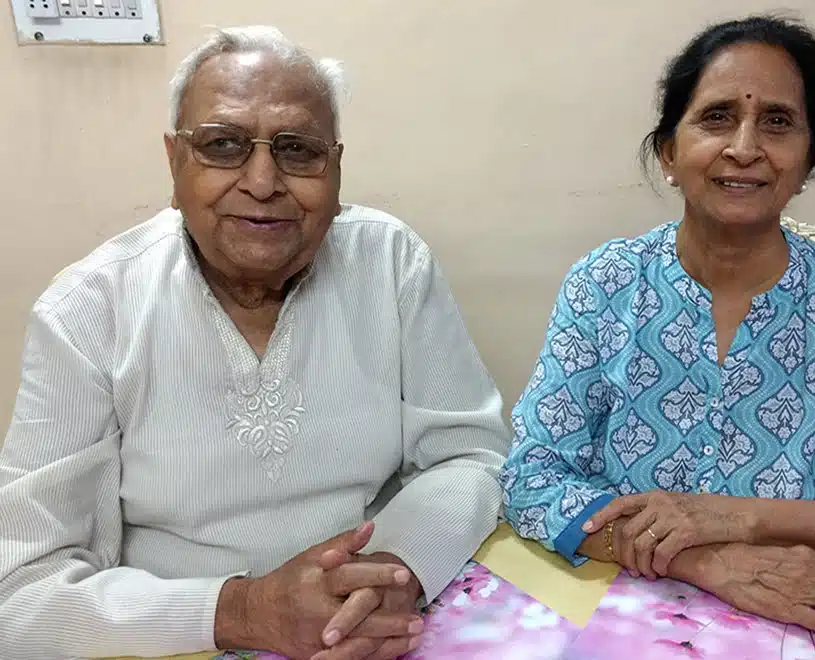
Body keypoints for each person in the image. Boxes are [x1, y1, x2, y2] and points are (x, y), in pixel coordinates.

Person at [0, 26, 509, 660]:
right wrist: (244, 610)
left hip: (368, 625)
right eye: (223, 146)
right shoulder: (88, 310)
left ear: (337, 165)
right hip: (177, 634)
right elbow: (16, 593)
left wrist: (389, 575)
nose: (263, 181)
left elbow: (469, 456)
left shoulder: (390, 263)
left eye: (298, 150)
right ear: (174, 159)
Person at [501, 14, 815, 646]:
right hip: (621, 609)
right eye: (718, 117)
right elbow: (533, 476)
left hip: (809, 616)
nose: (746, 147)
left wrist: (738, 517)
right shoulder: (605, 284)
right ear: (669, 152)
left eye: (778, 122)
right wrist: (704, 559)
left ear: (809, 160)